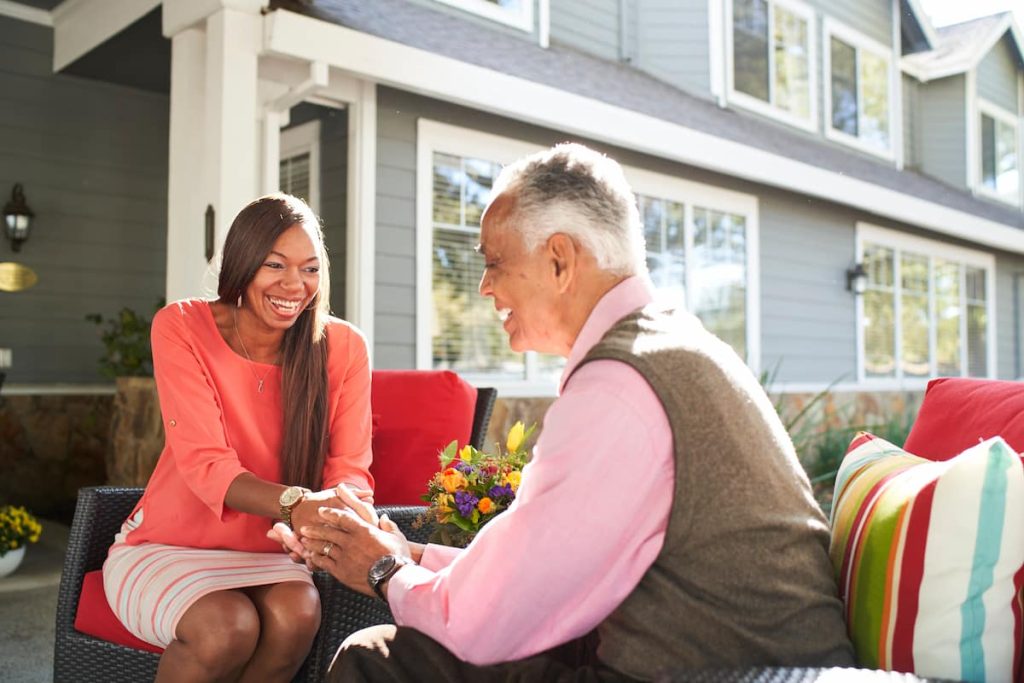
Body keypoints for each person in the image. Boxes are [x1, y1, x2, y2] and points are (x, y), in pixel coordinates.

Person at [287, 144, 855, 681]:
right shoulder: (662, 347)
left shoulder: (620, 385)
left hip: (725, 672)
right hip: (731, 659)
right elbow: (541, 555)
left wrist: (383, 571)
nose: (484, 287)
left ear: (560, 259)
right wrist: (407, 552)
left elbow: (484, 627)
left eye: (495, 262)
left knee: (378, 661)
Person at [102, 194, 375, 683]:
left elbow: (349, 466)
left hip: (271, 552)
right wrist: (299, 504)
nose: (294, 285)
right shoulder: (182, 326)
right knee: (226, 627)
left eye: (310, 269)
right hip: (169, 543)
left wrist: (339, 512)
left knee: (299, 613)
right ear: (243, 264)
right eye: (275, 265)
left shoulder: (345, 348)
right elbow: (207, 464)